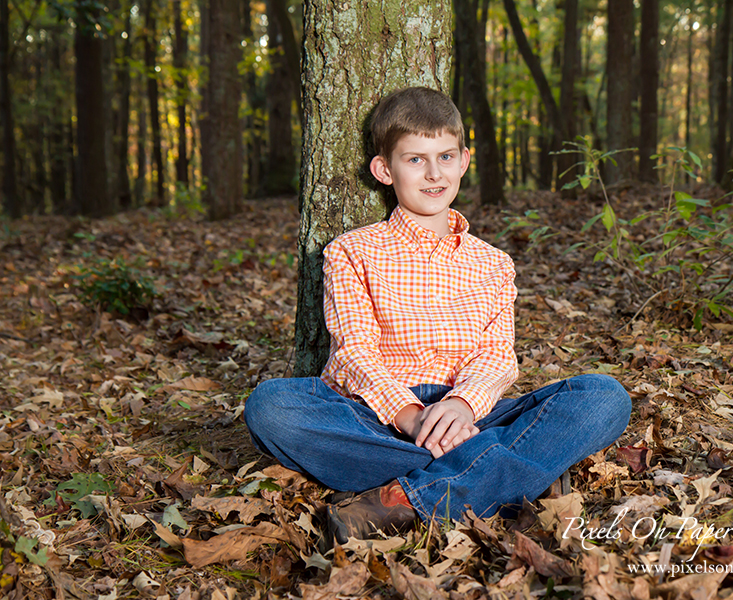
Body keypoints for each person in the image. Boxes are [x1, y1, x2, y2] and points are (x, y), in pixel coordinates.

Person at [243, 87, 631, 544]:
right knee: (271, 407)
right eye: (414, 160)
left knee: (604, 396)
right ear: (384, 170)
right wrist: (412, 418)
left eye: (446, 157)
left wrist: (460, 407)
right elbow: (354, 352)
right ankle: (509, 474)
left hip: (469, 414)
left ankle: (413, 497)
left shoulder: (493, 262)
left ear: (464, 161)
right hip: (377, 416)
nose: (433, 173)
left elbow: (497, 357)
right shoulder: (352, 252)